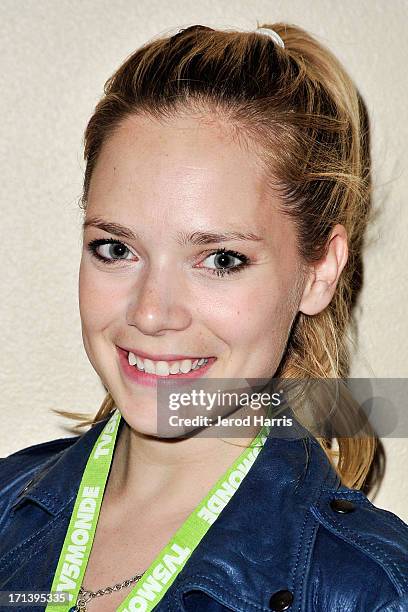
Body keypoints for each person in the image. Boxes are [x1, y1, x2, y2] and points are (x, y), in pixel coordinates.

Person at [1, 22, 407, 612]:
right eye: (117, 249)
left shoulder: (370, 592)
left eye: (220, 259)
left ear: (318, 271)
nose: (151, 313)